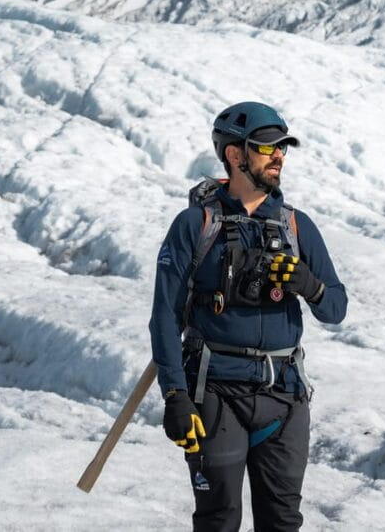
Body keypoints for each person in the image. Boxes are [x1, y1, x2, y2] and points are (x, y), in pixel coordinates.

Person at [149, 101, 348, 531]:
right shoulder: (195, 225)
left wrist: (310, 285)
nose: (278, 156)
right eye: (266, 147)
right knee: (218, 520)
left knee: (282, 523)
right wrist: (175, 396)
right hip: (215, 397)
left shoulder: (297, 226)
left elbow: (336, 308)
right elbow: (164, 317)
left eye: (282, 148)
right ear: (234, 154)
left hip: (285, 398)